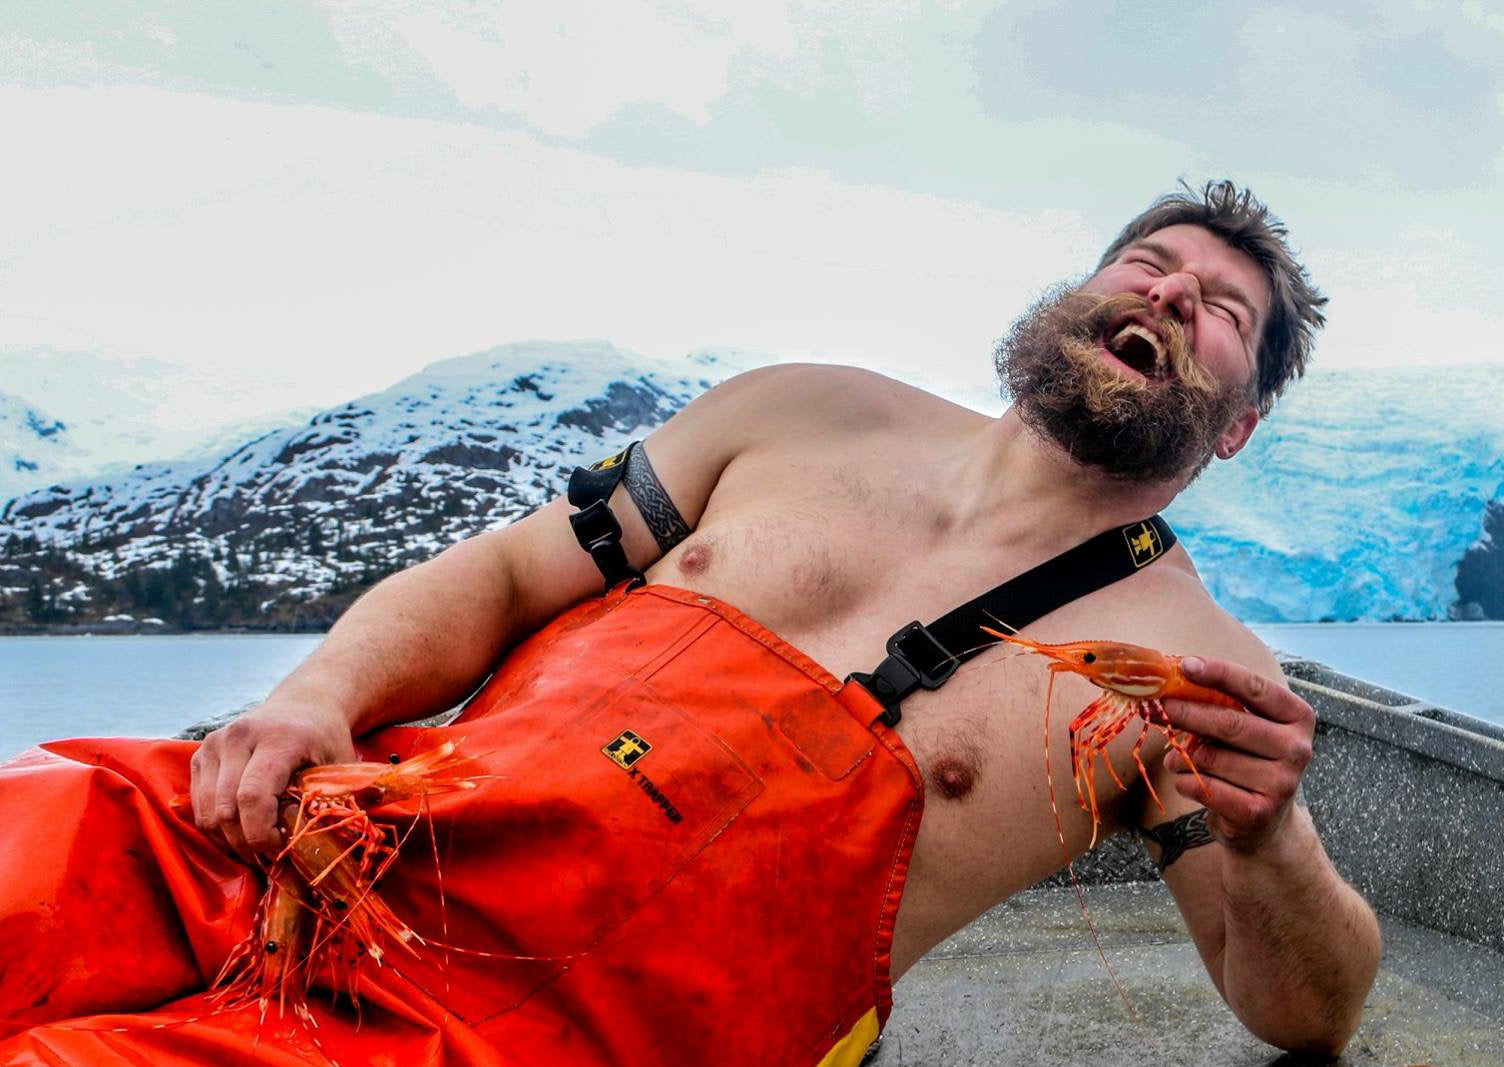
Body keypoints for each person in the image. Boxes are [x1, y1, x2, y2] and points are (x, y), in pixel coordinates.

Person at [0, 181, 1381, 1065]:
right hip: (346, 834)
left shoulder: (1195, 676)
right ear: (1079, 294)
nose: (1169, 295)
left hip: (560, 1037)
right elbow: (499, 579)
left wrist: (1268, 838)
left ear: (1239, 420)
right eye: (1148, 263)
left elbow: (1304, 1012)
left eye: (1220, 315)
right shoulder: (803, 409)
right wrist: (316, 696)